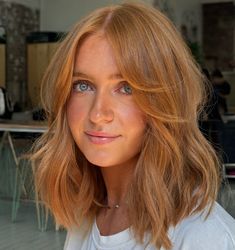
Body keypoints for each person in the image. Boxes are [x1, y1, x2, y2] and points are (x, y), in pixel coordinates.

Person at [31, 2, 235, 250]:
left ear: (166, 100)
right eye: (83, 85)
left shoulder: (205, 236)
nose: (98, 114)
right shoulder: (87, 213)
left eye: (126, 88)